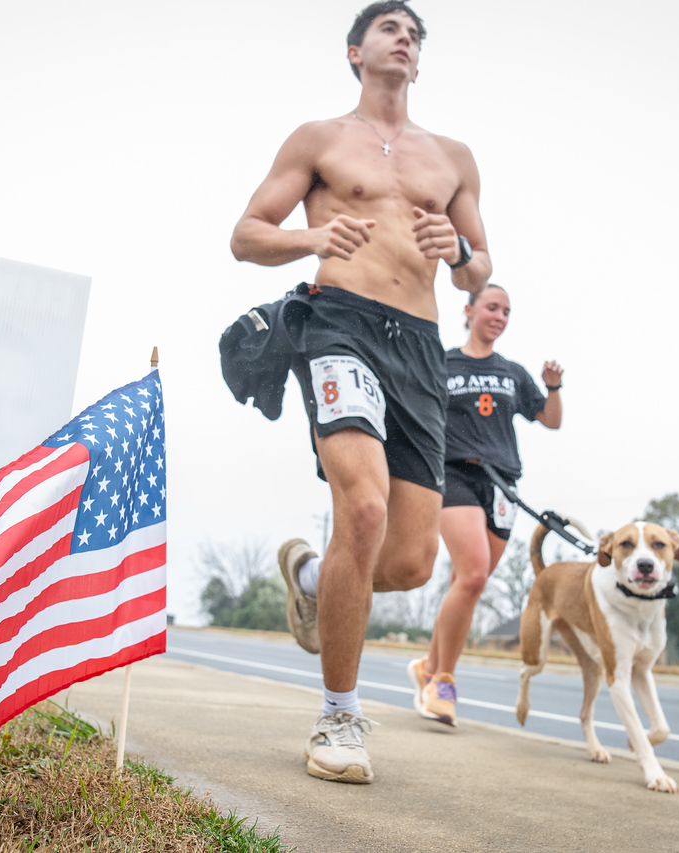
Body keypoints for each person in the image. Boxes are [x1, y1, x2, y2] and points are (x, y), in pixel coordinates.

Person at [229, 1, 491, 784]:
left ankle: (314, 577)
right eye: (391, 29)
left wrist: (461, 249)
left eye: (415, 34)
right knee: (365, 509)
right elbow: (245, 234)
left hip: (419, 346)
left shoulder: (453, 157)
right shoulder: (319, 140)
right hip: (338, 324)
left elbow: (480, 269)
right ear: (356, 52)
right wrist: (312, 237)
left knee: (409, 562)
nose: (405, 38)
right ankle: (339, 718)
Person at [408, 284, 563, 726]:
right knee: (474, 575)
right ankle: (444, 682)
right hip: (453, 475)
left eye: (507, 311)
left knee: (466, 581)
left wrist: (553, 387)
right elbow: (415, 411)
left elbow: (550, 421)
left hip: (502, 484)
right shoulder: (442, 361)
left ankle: (426, 667)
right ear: (469, 310)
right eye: (492, 307)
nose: (499, 316)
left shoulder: (512, 371)